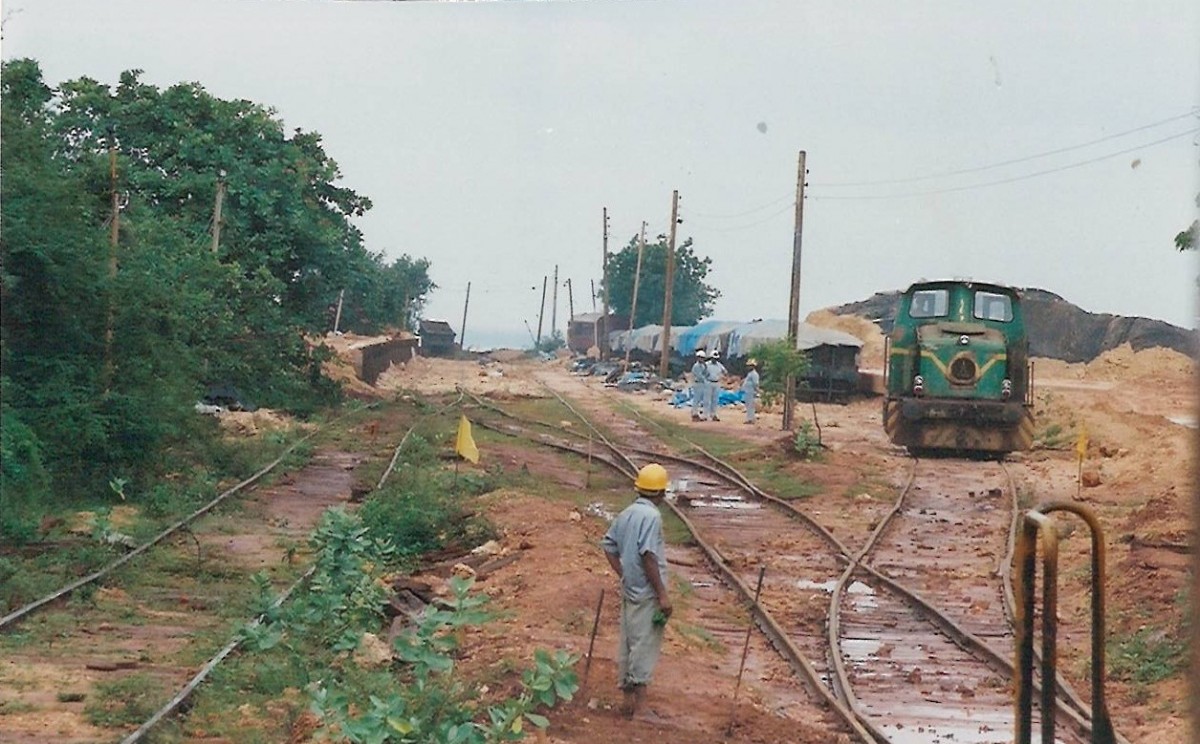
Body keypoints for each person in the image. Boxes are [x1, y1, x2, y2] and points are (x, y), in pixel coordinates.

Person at [601, 463, 673, 719]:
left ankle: (628, 700)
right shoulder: (652, 517)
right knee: (644, 643)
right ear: (661, 493)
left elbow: (609, 546)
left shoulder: (628, 512)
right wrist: (662, 594)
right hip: (647, 593)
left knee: (628, 641)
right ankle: (641, 707)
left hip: (630, 589)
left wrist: (624, 575)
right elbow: (648, 556)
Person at [704, 350, 728, 421]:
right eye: (713, 358)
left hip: (717, 383)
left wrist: (722, 376)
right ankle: (705, 414)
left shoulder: (719, 365)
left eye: (716, 358)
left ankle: (713, 414)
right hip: (708, 382)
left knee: (715, 400)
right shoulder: (707, 364)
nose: (715, 360)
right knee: (707, 399)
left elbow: (725, 372)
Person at [689, 349, 709, 421]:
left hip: (702, 384)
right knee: (696, 399)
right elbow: (699, 376)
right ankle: (694, 414)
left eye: (702, 358)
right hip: (697, 383)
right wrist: (705, 381)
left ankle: (699, 414)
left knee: (702, 399)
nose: (701, 359)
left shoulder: (703, 366)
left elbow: (707, 374)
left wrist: (706, 367)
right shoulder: (696, 366)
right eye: (700, 357)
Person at [741, 358, 761, 424]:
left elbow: (756, 384)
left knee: (750, 406)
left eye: (750, 366)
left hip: (751, 392)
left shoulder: (754, 374)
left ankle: (751, 419)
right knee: (748, 405)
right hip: (748, 392)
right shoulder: (750, 374)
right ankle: (749, 418)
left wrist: (757, 391)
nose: (748, 367)